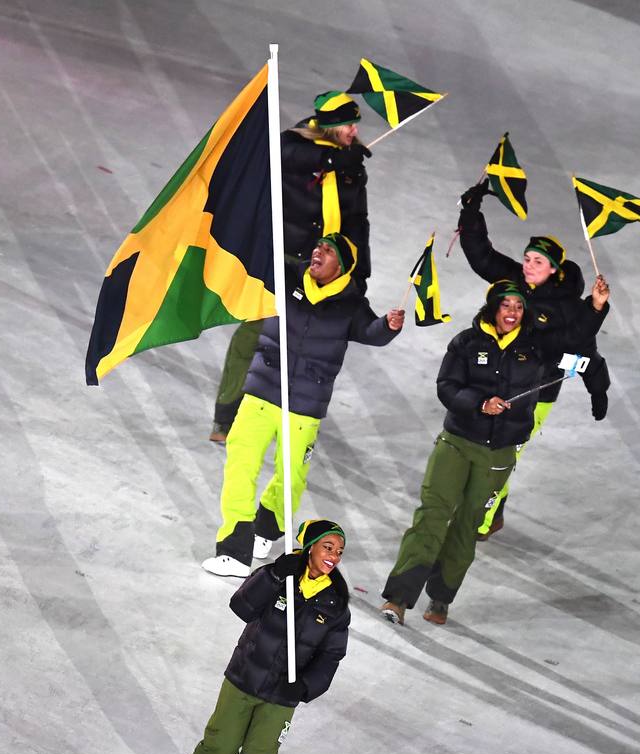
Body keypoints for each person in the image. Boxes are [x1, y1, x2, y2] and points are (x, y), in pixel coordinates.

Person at [380, 276, 609, 626]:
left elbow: (576, 339)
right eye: (506, 305)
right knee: (431, 516)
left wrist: (594, 306)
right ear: (493, 307)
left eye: (519, 306)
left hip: (499, 454)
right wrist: (479, 403)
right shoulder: (467, 343)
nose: (513, 312)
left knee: (468, 525)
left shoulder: (538, 346)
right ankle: (398, 598)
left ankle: (440, 599)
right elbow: (446, 386)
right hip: (456, 443)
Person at [202, 234, 402, 577]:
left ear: (341, 266)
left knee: (291, 478)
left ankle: (266, 529)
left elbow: (371, 332)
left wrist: (388, 326)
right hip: (263, 391)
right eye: (318, 246)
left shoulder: (350, 303)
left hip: (304, 406)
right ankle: (234, 550)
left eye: (328, 250)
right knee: (240, 463)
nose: (317, 252)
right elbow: (252, 263)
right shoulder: (286, 275)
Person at [181, 519, 351, 754]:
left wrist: (304, 687)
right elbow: (241, 607)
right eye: (327, 547)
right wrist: (273, 575)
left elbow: (331, 656)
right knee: (220, 745)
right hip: (243, 679)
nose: (333, 556)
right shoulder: (281, 576)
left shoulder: (335, 604)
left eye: (339, 551)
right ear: (310, 547)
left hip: (281, 698)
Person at [209, 91, 373, 442]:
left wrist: (360, 272)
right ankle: (227, 416)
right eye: (347, 125)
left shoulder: (350, 166)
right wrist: (332, 161)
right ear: (329, 127)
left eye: (355, 125)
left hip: (323, 265)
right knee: (254, 335)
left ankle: (285, 419)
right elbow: (289, 155)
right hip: (281, 260)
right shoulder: (296, 143)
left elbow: (358, 220)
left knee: (306, 343)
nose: (354, 132)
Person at [458, 181, 611, 538]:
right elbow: (481, 255)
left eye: (537, 262)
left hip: (535, 394)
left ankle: (480, 522)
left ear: (555, 269)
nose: (528, 266)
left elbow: (582, 348)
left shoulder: (567, 308)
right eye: (527, 259)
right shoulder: (514, 283)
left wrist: (598, 390)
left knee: (501, 455)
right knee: (480, 449)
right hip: (497, 382)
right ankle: (485, 512)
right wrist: (470, 211)